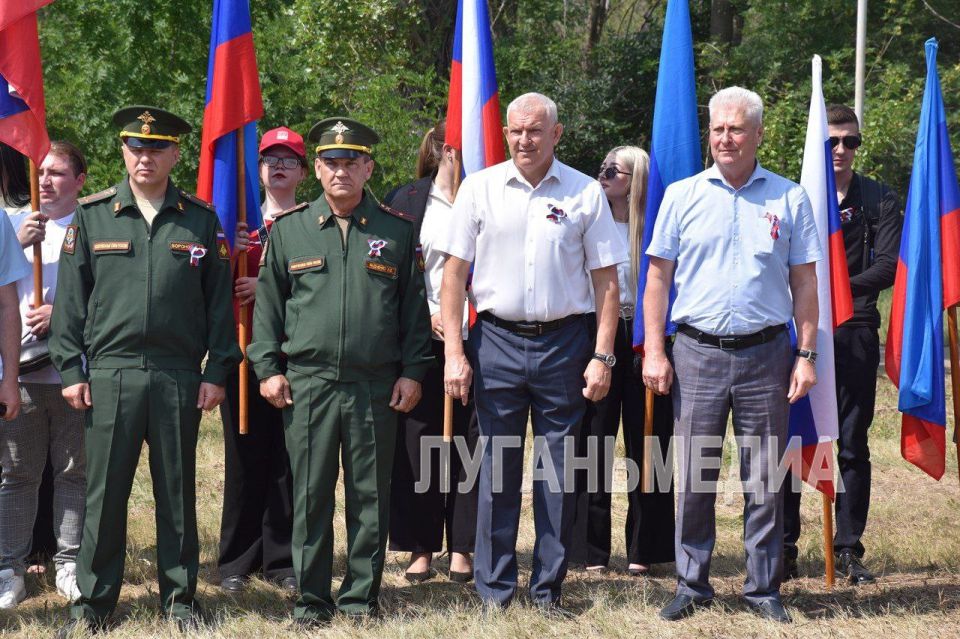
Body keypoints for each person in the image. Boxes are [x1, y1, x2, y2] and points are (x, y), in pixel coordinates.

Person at [49, 106, 242, 635]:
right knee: (105, 494)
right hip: (109, 375)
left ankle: (180, 601)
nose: (145, 156)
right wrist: (71, 370)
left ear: (175, 154)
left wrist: (217, 369)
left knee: (178, 493)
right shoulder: (93, 216)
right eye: (136, 146)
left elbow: (218, 308)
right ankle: (92, 605)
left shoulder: (200, 219)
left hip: (179, 373)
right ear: (123, 151)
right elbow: (70, 305)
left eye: (157, 148)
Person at [439, 92, 627, 614]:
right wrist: (455, 351)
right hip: (495, 340)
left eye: (535, 131)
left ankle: (548, 589)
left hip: (566, 345)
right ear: (506, 133)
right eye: (516, 131)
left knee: (557, 474)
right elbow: (453, 274)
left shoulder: (585, 193)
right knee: (496, 469)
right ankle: (495, 591)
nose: (524, 140)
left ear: (556, 134)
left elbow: (607, 283)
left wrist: (603, 355)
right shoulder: (478, 189)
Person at [642, 86, 821, 624]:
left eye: (736, 128)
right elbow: (657, 279)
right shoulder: (682, 195)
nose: (725, 137)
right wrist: (655, 349)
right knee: (694, 474)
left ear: (758, 134)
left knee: (764, 478)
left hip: (767, 353)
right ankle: (691, 583)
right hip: (695, 352)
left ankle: (763, 588)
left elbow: (806, 283)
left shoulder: (789, 198)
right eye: (717, 128)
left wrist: (807, 353)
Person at [248, 117, 433, 625]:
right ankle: (311, 598)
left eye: (351, 161)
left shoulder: (396, 231)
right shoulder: (291, 230)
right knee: (309, 497)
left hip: (375, 385)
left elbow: (414, 313)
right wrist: (267, 368)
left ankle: (359, 597)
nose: (341, 171)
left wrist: (414, 371)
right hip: (307, 384)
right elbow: (269, 310)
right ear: (319, 170)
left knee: (369, 497)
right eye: (331, 162)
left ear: (368, 167)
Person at [783, 104, 901, 585]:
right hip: (797, 333)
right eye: (831, 141)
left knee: (851, 442)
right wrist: (812, 304)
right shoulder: (793, 195)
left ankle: (849, 549)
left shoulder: (879, 197)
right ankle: (783, 548)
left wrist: (833, 294)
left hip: (854, 330)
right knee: (792, 441)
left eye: (850, 141)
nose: (840, 150)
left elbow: (889, 266)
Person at [569, 145, 674, 575]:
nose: (604, 174)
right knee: (591, 443)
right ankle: (589, 550)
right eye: (602, 167)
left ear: (637, 179)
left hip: (647, 337)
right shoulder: (588, 222)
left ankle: (645, 550)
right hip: (596, 335)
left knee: (650, 445)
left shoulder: (658, 229)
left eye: (615, 169)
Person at [385, 121, 478, 584]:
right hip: (421, 335)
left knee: (470, 439)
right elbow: (392, 272)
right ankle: (420, 545)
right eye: (454, 145)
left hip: (480, 333)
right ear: (441, 149)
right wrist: (427, 315)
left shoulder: (488, 193)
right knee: (418, 442)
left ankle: (463, 545)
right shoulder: (406, 199)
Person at [0, 142, 88, 610]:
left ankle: (69, 563)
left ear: (80, 179)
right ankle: (8, 569)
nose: (46, 182)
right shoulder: (10, 225)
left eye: (56, 172)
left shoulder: (94, 229)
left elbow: (111, 298)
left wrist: (63, 312)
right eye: (40, 173)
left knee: (75, 472)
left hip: (73, 373)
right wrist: (16, 246)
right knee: (17, 474)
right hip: (20, 372)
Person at [217, 127, 304, 595]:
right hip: (246, 353)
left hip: (296, 354)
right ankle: (235, 560)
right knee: (244, 456)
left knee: (287, 459)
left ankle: (283, 560)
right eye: (269, 158)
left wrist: (268, 287)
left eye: (289, 159)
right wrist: (234, 258)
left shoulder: (314, 223)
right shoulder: (240, 224)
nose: (278, 166)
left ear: (303, 172)